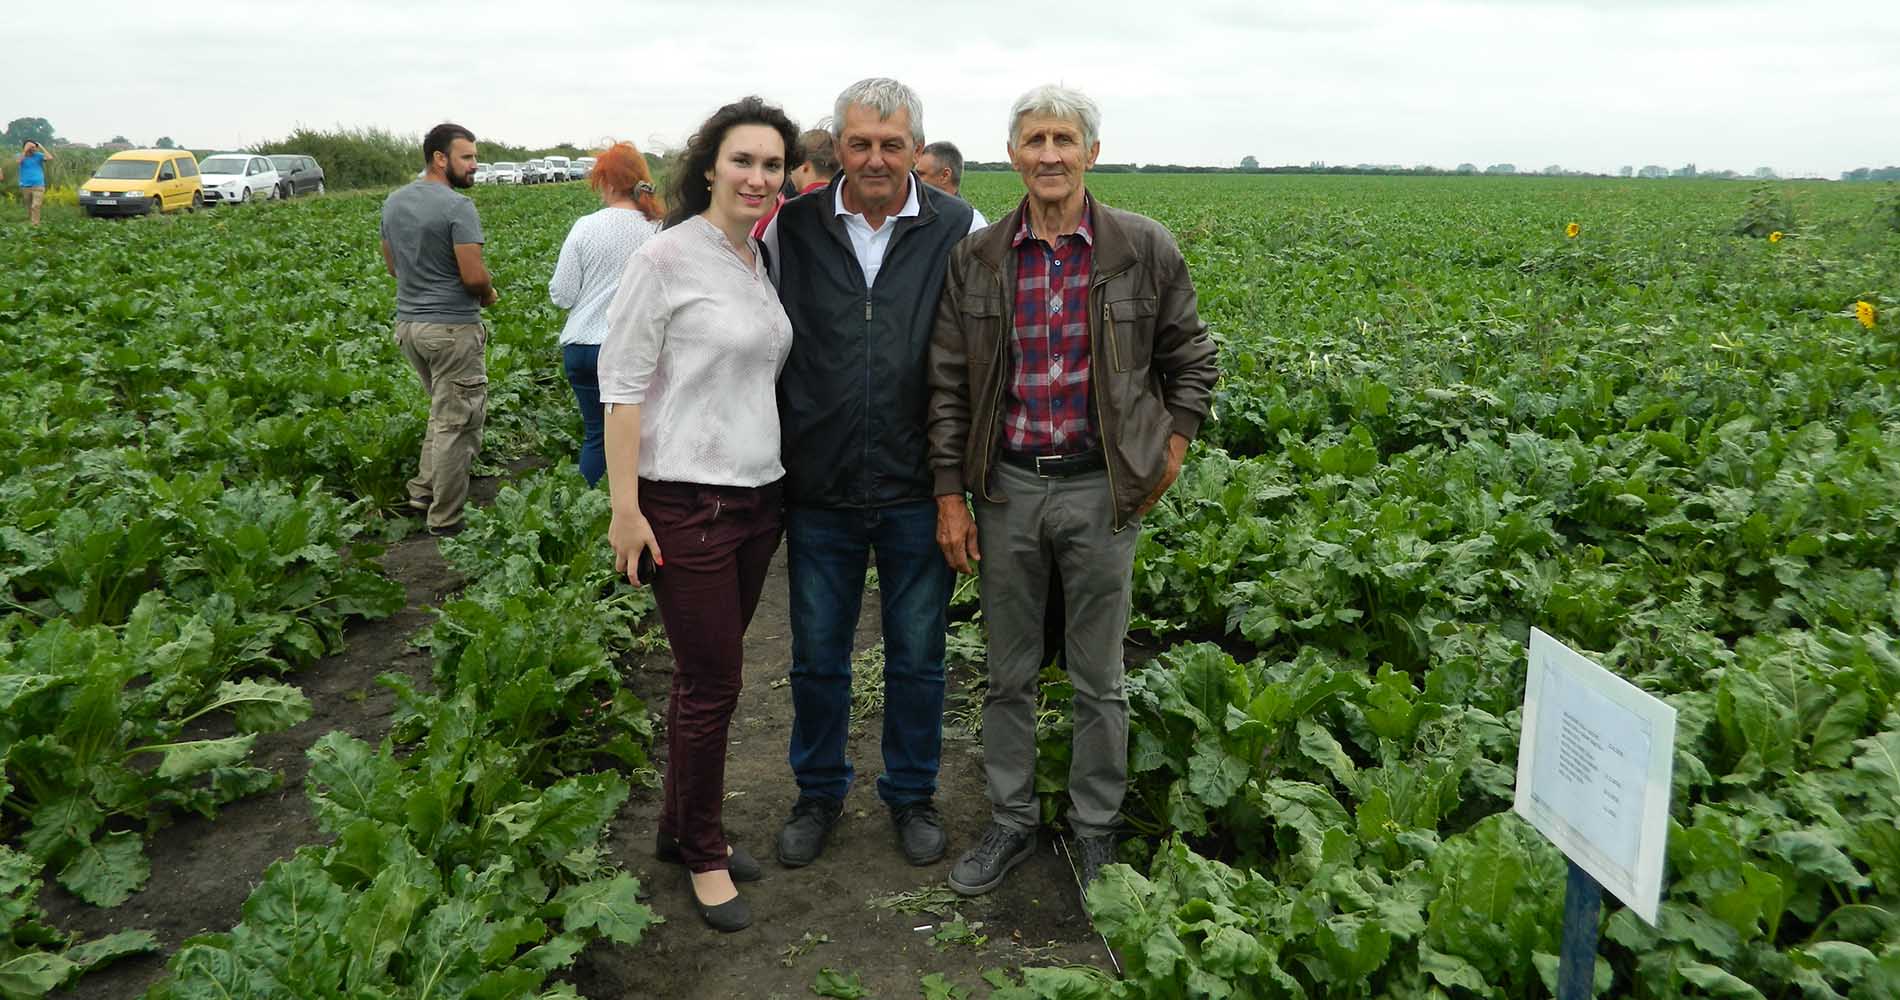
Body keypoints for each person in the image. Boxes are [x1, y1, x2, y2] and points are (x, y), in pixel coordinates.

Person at [927, 84, 1219, 905]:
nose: (1049, 154)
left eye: (1063, 139)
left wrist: (1170, 451)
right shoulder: (978, 258)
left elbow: (1192, 359)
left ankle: (1096, 828)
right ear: (1013, 155)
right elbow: (948, 386)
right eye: (1034, 140)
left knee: (1099, 674)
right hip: (1009, 489)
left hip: (1101, 489)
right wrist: (950, 494)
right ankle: (1011, 819)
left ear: (1091, 152)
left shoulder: (1141, 248)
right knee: (1008, 671)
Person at [763, 78, 986, 871]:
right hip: (819, 482)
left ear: (916, 149)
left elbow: (981, 351)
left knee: (918, 656)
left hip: (917, 483)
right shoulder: (792, 228)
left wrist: (958, 482)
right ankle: (818, 793)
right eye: (859, 144)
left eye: (892, 144)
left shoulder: (959, 226)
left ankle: (912, 795)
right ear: (837, 147)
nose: (876, 159)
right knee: (817, 655)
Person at [599, 96, 801, 933]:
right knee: (713, 684)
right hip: (686, 504)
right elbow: (621, 388)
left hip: (757, 500)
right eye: (742, 160)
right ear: (709, 166)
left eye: (772, 164)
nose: (758, 176)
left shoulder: (754, 259)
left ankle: (677, 827)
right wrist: (626, 510)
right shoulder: (664, 257)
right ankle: (705, 853)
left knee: (702, 678)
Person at [380, 123, 498, 537]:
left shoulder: (394, 202)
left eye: (475, 157)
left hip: (410, 327)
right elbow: (473, 275)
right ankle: (446, 519)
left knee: (443, 410)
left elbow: (393, 266)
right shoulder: (457, 207)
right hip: (451, 329)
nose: (474, 165)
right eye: (467, 157)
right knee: (458, 423)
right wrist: (489, 293)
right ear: (440, 158)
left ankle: (423, 490)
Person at [549, 141, 665, 486]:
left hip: (582, 348)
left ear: (609, 183)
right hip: (633, 349)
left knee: (597, 436)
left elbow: (562, 295)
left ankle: (588, 509)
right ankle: (632, 507)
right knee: (640, 438)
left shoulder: (585, 226)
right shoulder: (658, 229)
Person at [752, 127, 839, 239]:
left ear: (805, 167)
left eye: (794, 166)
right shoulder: (850, 207)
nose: (791, 172)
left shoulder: (784, 213)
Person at [915, 140, 986, 227]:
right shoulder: (912, 213)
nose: (914, 179)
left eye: (921, 174)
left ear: (945, 175)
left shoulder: (972, 223)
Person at [18, 140, 53, 227]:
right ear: (26, 147)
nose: (34, 149)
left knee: (36, 205)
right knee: (30, 206)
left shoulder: (38, 156)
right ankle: (32, 222)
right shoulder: (21, 156)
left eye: (34, 147)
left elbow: (49, 158)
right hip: (25, 186)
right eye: (32, 147)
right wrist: (25, 150)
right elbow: (18, 161)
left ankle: (35, 225)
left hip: (38, 185)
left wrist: (41, 146)